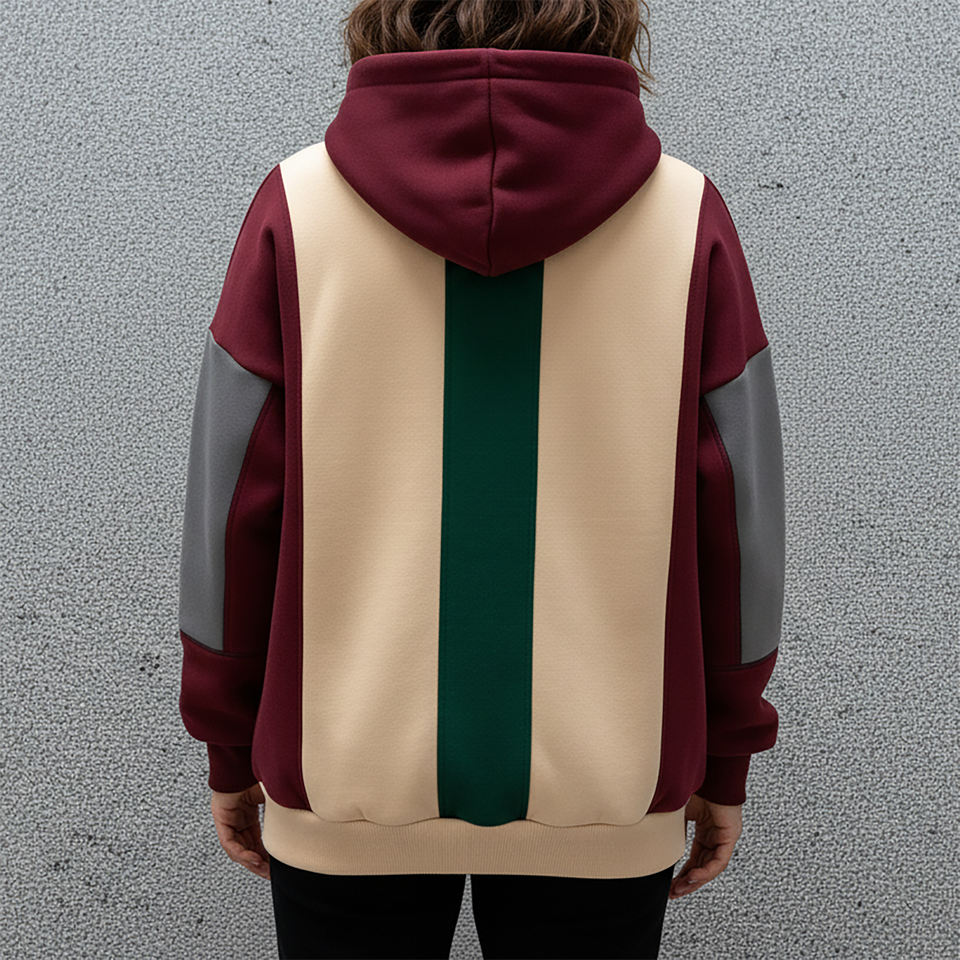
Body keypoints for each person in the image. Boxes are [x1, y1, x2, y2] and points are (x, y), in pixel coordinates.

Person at [176, 1, 786, 957]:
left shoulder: (297, 207)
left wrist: (226, 737)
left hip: (346, 787)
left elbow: (231, 506)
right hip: (608, 793)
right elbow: (739, 519)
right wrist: (726, 751)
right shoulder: (685, 215)